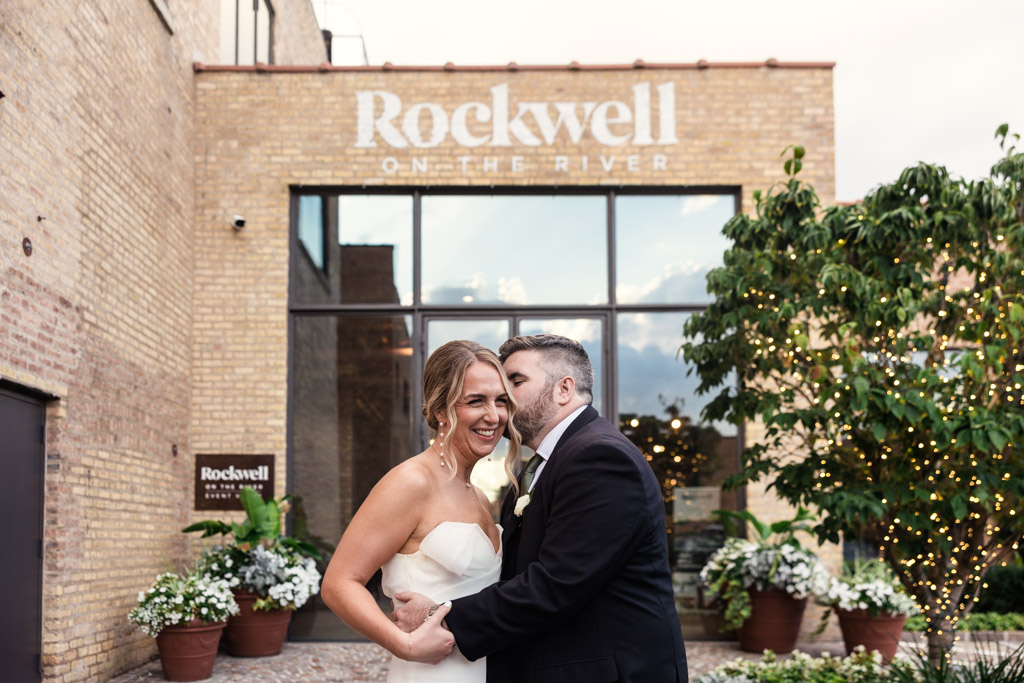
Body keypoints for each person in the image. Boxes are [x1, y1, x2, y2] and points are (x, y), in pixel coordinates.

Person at [396, 334, 688, 683]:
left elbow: (556, 583)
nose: (503, 398)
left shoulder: (599, 457)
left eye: (515, 382)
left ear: (564, 389)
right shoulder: (543, 464)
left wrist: (441, 615)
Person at [321, 340, 522, 682]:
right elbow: (339, 583)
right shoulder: (411, 483)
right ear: (442, 410)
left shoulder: (479, 495)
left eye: (501, 401)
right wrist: (405, 645)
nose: (494, 416)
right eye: (476, 401)